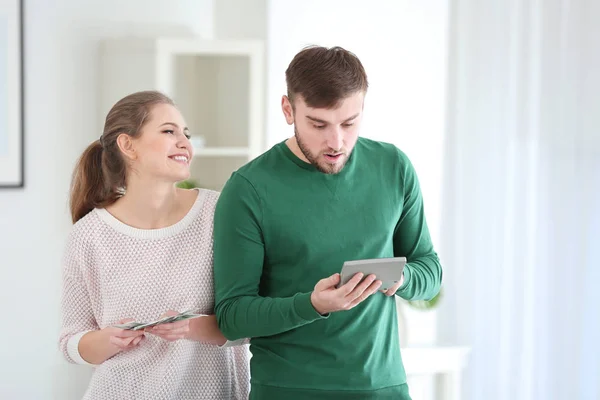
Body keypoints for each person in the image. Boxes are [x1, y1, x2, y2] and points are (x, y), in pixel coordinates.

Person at [212, 46, 443, 400]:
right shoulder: (248, 189)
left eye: (349, 123)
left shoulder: (394, 167)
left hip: (384, 389)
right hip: (289, 392)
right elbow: (232, 316)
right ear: (288, 110)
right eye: (318, 124)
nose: (336, 142)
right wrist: (314, 304)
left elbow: (430, 273)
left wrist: (400, 276)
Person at [58, 90, 250, 400]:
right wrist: (109, 340)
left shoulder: (220, 214)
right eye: (169, 131)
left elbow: (249, 324)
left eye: (185, 134)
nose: (184, 143)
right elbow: (70, 343)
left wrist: (191, 327)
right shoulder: (87, 236)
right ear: (127, 145)